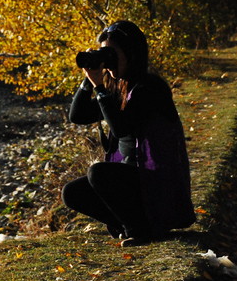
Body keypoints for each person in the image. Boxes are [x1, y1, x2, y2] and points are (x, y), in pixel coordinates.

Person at [61, 20, 195, 247]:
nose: (109, 60)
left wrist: (100, 88)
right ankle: (129, 224)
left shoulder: (150, 88)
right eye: (105, 54)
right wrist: (89, 79)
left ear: (131, 53)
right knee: (71, 193)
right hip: (133, 180)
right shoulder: (118, 88)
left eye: (112, 54)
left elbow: (121, 127)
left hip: (155, 182)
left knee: (98, 172)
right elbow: (78, 115)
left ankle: (139, 230)